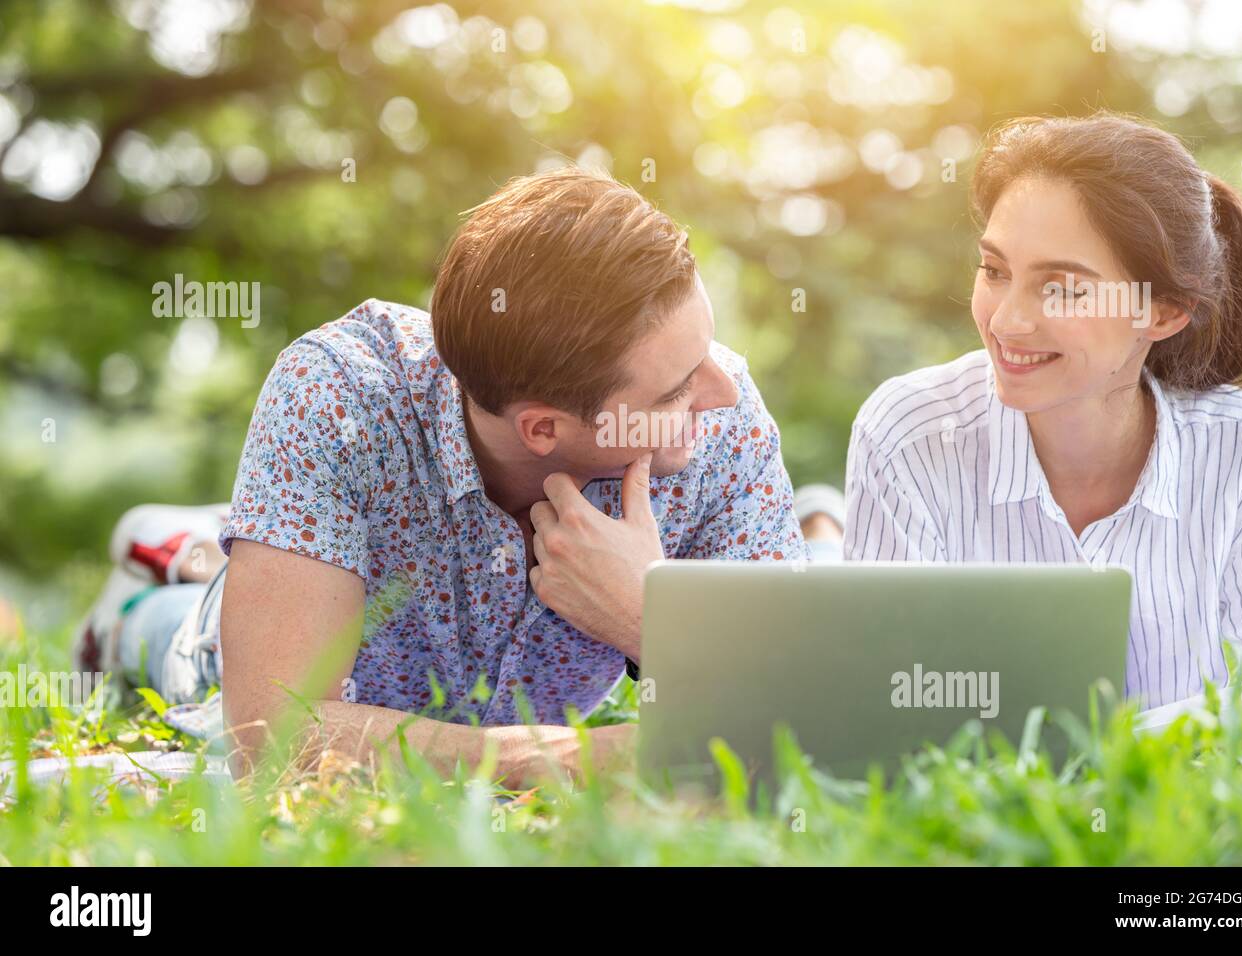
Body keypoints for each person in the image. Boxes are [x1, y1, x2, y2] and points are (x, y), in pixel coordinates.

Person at [76, 165, 811, 784]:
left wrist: (654, 616)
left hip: (346, 612)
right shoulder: (338, 395)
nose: (721, 390)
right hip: (204, 655)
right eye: (678, 387)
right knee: (172, 632)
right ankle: (152, 576)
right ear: (543, 428)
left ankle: (206, 539)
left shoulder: (723, 425)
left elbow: (806, 712)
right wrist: (550, 759)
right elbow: (269, 735)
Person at [845, 113, 1242, 710]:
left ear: (1163, 313)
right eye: (995, 271)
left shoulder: (1240, 448)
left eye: (1060, 287)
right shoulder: (909, 435)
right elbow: (883, 701)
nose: (1007, 321)